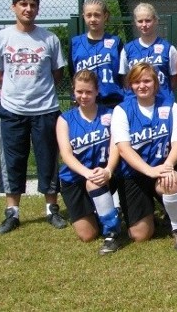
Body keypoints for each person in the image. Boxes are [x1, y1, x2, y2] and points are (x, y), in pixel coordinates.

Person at [0, 0, 68, 234]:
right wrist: (16, 90)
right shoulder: (0, 39)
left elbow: (57, 73)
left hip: (45, 109)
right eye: (23, 4)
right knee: (13, 161)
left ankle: (52, 209)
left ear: (37, 9)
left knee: (48, 160)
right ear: (14, 8)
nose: (28, 9)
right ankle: (12, 212)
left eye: (32, 5)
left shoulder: (49, 39)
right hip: (12, 110)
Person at [111, 62, 177, 250]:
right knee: (140, 235)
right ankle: (149, 214)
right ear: (131, 85)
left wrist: (169, 164)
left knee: (173, 179)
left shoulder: (171, 107)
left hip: (162, 167)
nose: (142, 85)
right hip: (133, 174)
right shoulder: (121, 110)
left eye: (147, 80)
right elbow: (123, 148)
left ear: (155, 83)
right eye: (137, 81)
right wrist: (149, 170)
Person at [56, 70, 121, 255]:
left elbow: (116, 145)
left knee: (94, 182)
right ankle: (105, 210)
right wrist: (86, 172)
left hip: (104, 176)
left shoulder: (111, 114)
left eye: (88, 92)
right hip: (74, 179)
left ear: (97, 91)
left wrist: (108, 170)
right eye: (79, 92)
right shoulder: (65, 119)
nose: (84, 96)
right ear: (73, 91)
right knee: (88, 235)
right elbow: (66, 155)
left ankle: (112, 232)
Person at [71, 0, 124, 107]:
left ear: (105, 16)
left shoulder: (116, 42)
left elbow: (123, 75)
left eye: (97, 15)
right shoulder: (76, 43)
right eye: (89, 15)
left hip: (111, 101)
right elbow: (73, 72)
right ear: (83, 16)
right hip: (84, 101)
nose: (93, 19)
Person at [120, 2, 177, 100]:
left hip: (162, 100)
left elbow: (174, 80)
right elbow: (125, 79)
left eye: (148, 20)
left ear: (155, 20)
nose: (144, 24)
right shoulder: (127, 49)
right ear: (135, 22)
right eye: (140, 21)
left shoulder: (168, 48)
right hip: (135, 101)